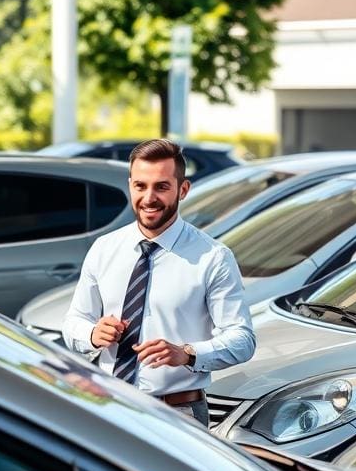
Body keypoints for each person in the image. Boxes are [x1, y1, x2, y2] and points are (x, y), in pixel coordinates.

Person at [63, 138, 255, 425]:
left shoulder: (213, 257)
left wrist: (188, 354)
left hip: (177, 414)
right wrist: (92, 334)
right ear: (130, 185)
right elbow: (73, 322)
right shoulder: (105, 248)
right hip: (108, 405)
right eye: (140, 186)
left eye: (161, 187)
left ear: (183, 189)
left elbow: (243, 340)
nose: (149, 197)